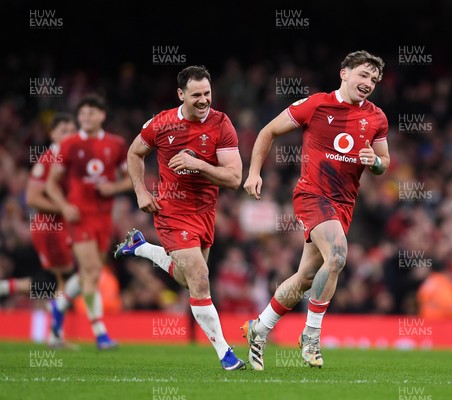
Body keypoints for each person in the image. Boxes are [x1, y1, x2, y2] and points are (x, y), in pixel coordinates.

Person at [241, 50, 390, 370]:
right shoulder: (317, 104)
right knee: (337, 255)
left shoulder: (377, 118)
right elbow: (268, 131)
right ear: (344, 73)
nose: (368, 83)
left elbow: (384, 162)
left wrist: (375, 163)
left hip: (343, 204)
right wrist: (253, 172)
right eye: (363, 75)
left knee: (307, 276)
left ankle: (259, 328)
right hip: (312, 194)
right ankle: (310, 336)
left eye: (374, 80)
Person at [114, 65, 245, 370]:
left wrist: (198, 165)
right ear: (181, 94)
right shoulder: (161, 123)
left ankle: (141, 248)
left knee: (189, 280)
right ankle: (226, 354)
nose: (203, 100)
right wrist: (140, 192)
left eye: (207, 94)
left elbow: (234, 178)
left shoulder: (222, 124)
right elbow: (135, 153)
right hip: (171, 210)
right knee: (200, 278)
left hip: (205, 212)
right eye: (196, 94)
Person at [45, 94, 133, 350]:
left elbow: (130, 180)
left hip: (104, 218)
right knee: (93, 269)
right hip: (80, 216)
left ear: (102, 115)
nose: (86, 117)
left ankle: (58, 308)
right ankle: (100, 332)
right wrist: (64, 207)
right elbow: (51, 184)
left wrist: (113, 187)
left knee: (89, 273)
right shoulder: (70, 144)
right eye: (82, 113)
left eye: (91, 112)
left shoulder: (116, 144)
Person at [0, 113, 81, 348]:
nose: (68, 134)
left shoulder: (68, 159)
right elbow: (33, 198)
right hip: (50, 228)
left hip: (57, 228)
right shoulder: (49, 159)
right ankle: (55, 336)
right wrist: (64, 208)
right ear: (52, 134)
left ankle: (5, 287)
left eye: (71, 130)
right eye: (63, 130)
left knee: (51, 282)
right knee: (67, 278)